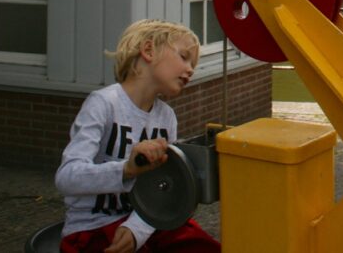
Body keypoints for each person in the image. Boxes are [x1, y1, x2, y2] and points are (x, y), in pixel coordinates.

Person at [55, 19, 220, 252]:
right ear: (149, 50)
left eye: (193, 64)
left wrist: (137, 229)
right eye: (184, 57)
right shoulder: (103, 103)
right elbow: (67, 177)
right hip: (93, 227)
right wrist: (126, 170)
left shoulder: (167, 117)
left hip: (148, 223)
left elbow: (168, 191)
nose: (191, 69)